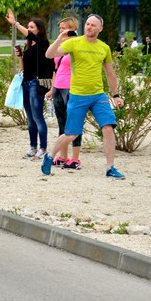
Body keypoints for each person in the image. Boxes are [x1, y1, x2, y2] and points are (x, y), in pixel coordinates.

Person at [41, 14, 126, 179]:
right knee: (71, 133)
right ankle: (50, 156)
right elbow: (49, 55)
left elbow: (110, 73)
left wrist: (116, 95)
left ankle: (110, 168)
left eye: (93, 25)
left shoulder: (104, 48)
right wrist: (59, 39)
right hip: (78, 95)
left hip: (98, 95)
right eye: (87, 24)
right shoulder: (74, 42)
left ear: (100, 29)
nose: (89, 27)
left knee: (108, 128)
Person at [6, 10, 54, 160]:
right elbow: (24, 68)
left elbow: (30, 35)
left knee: (38, 116)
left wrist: (15, 23)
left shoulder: (43, 43)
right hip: (26, 83)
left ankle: (43, 148)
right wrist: (20, 56)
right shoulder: (29, 46)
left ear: (39, 30)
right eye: (29, 27)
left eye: (32, 27)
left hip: (36, 84)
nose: (30, 29)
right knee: (30, 118)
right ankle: (33, 146)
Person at [44, 17, 82, 170]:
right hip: (59, 86)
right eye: (60, 28)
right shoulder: (60, 45)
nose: (61, 31)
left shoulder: (78, 44)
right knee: (62, 123)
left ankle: (75, 158)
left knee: (74, 123)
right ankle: (63, 156)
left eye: (64, 28)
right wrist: (52, 88)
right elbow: (55, 67)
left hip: (72, 87)